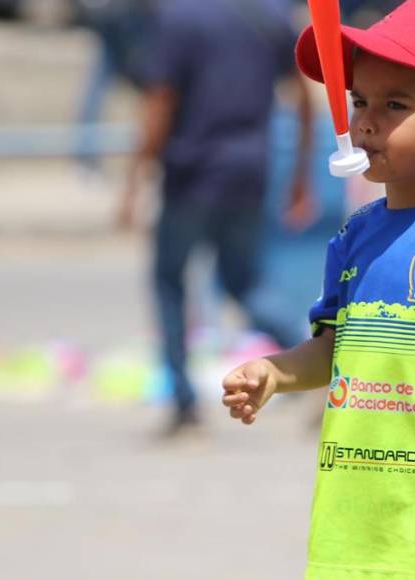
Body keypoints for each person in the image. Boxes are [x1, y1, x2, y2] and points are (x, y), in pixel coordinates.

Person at [221, 1, 415, 578]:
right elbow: (332, 348)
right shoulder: (355, 233)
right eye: (359, 102)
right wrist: (274, 372)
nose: (366, 121)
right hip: (352, 523)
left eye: (394, 104)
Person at [118, 0, 315, 435]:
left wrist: (133, 180)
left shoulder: (179, 16)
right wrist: (301, 174)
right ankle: (321, 363)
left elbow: (160, 101)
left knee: (169, 282)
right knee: (243, 284)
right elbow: (303, 95)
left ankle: (184, 404)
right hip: (249, 171)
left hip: (191, 173)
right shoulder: (269, 15)